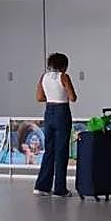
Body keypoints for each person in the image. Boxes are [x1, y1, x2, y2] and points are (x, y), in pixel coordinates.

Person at [33, 52, 77, 197]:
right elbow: (72, 97)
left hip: (49, 112)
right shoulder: (63, 77)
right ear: (64, 66)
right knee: (61, 151)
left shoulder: (43, 77)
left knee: (49, 150)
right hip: (62, 112)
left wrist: (51, 96)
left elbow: (39, 98)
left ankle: (42, 186)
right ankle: (60, 189)